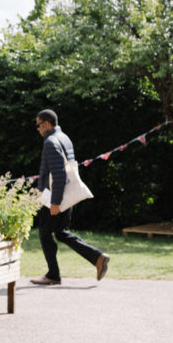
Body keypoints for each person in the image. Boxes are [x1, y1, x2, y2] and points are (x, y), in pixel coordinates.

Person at [31, 109, 110, 285]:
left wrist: (55, 203)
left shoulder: (50, 142)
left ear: (47, 124)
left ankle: (53, 274)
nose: (37, 129)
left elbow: (59, 175)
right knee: (61, 232)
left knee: (45, 233)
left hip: (56, 197)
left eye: (38, 125)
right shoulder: (64, 138)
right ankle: (98, 258)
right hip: (68, 195)